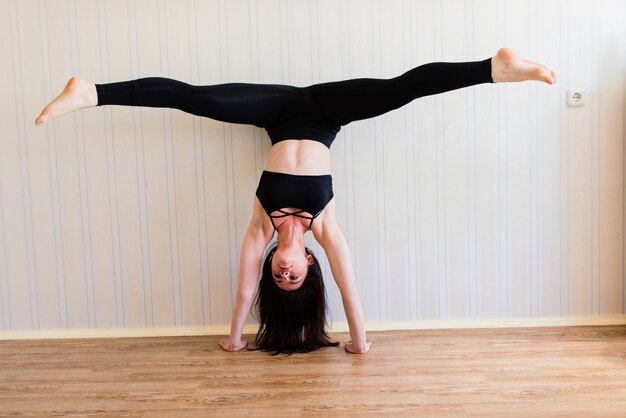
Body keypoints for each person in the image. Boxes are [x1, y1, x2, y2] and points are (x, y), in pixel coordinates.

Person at [35, 48, 556, 355]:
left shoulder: (259, 228)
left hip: (277, 110)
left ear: (273, 266)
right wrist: (360, 344)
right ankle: (494, 67)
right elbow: (351, 294)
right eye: (295, 278)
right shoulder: (326, 230)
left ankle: (91, 92)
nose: (284, 275)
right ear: (308, 263)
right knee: (402, 89)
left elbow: (243, 295)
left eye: (277, 278)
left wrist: (234, 341)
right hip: (328, 111)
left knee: (190, 97)